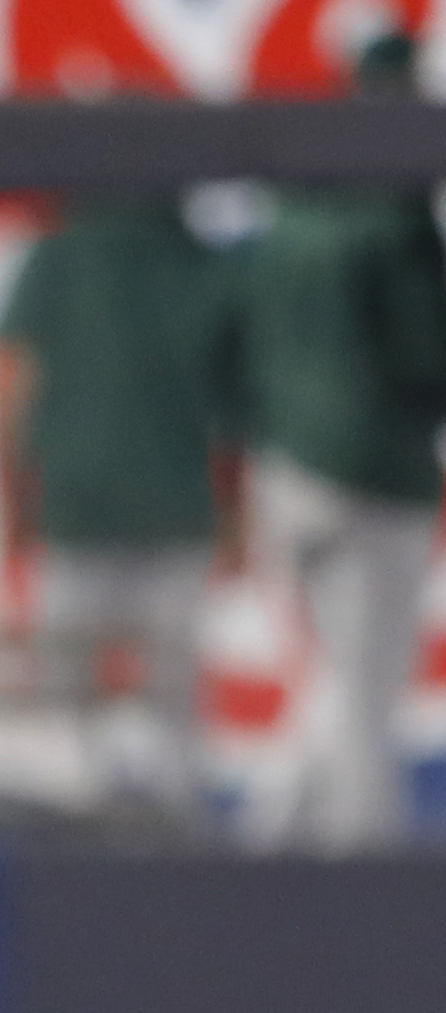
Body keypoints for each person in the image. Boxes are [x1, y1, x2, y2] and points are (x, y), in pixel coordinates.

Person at [231, 31, 446, 851]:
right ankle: (356, 852)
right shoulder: (396, 223)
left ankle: (274, 829)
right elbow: (423, 351)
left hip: (287, 467)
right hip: (373, 471)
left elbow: (230, 339)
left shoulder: (289, 210)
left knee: (334, 670)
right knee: (360, 680)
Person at [0, 192, 241, 831]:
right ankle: (179, 835)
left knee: (63, 691)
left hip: (79, 499)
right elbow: (233, 412)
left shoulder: (57, 254)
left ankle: (71, 825)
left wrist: (10, 497)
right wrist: (235, 515)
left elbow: (8, 382)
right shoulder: (198, 260)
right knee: (173, 695)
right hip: (175, 501)